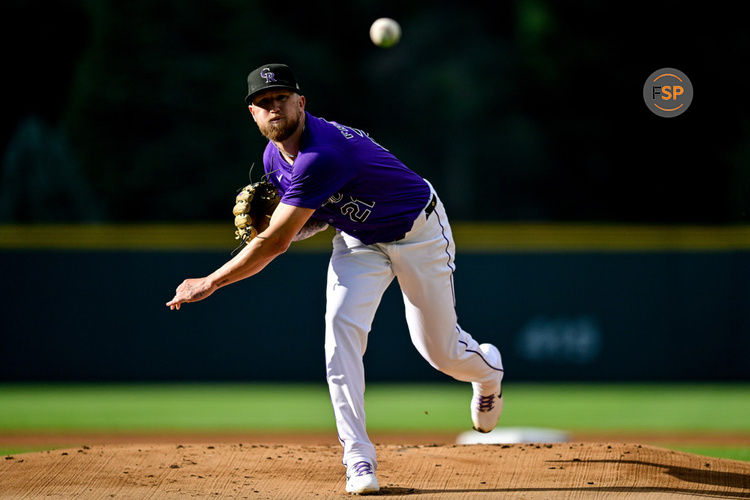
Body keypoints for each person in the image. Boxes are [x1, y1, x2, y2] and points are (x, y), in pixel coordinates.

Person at [166, 63, 504, 495]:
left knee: (440, 353)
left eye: (281, 99)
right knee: (339, 332)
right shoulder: (274, 158)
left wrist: (211, 280)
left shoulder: (322, 154)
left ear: (300, 103)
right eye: (263, 103)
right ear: (252, 114)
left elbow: (275, 244)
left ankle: (488, 370)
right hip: (359, 240)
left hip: (416, 233)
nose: (274, 108)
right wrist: (287, 223)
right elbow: (320, 219)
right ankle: (358, 458)